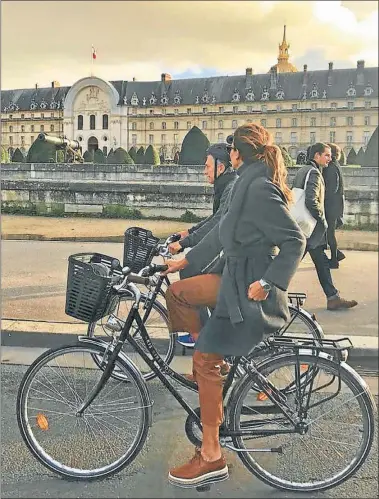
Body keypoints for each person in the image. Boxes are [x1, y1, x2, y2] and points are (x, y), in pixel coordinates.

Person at [161, 123, 306, 488]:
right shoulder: (246, 183)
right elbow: (223, 234)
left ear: (238, 154)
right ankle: (211, 366)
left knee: (205, 359)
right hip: (236, 281)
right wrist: (183, 263)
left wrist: (269, 281)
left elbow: (294, 241)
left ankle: (211, 456)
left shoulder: (257, 188)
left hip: (250, 292)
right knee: (182, 296)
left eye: (231, 150)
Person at [169, 143, 237, 347]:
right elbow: (215, 218)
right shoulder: (227, 184)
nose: (204, 170)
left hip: (233, 256)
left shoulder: (231, 187)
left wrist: (186, 244)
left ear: (221, 167)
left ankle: (203, 336)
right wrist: (188, 232)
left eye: (207, 166)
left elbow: (218, 224)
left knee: (190, 274)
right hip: (230, 252)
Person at [292, 142, 357, 311]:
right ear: (317, 156)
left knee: (320, 261)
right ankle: (266, 291)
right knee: (288, 264)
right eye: (327, 155)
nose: (330, 158)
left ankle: (333, 297)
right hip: (309, 228)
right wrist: (323, 221)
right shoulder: (314, 173)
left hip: (305, 228)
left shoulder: (303, 170)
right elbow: (311, 201)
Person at [323, 143, 346, 269]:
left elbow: (332, 188)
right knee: (328, 232)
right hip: (336, 204)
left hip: (331, 205)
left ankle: (334, 259)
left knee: (329, 232)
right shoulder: (336, 166)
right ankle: (336, 254)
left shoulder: (331, 167)